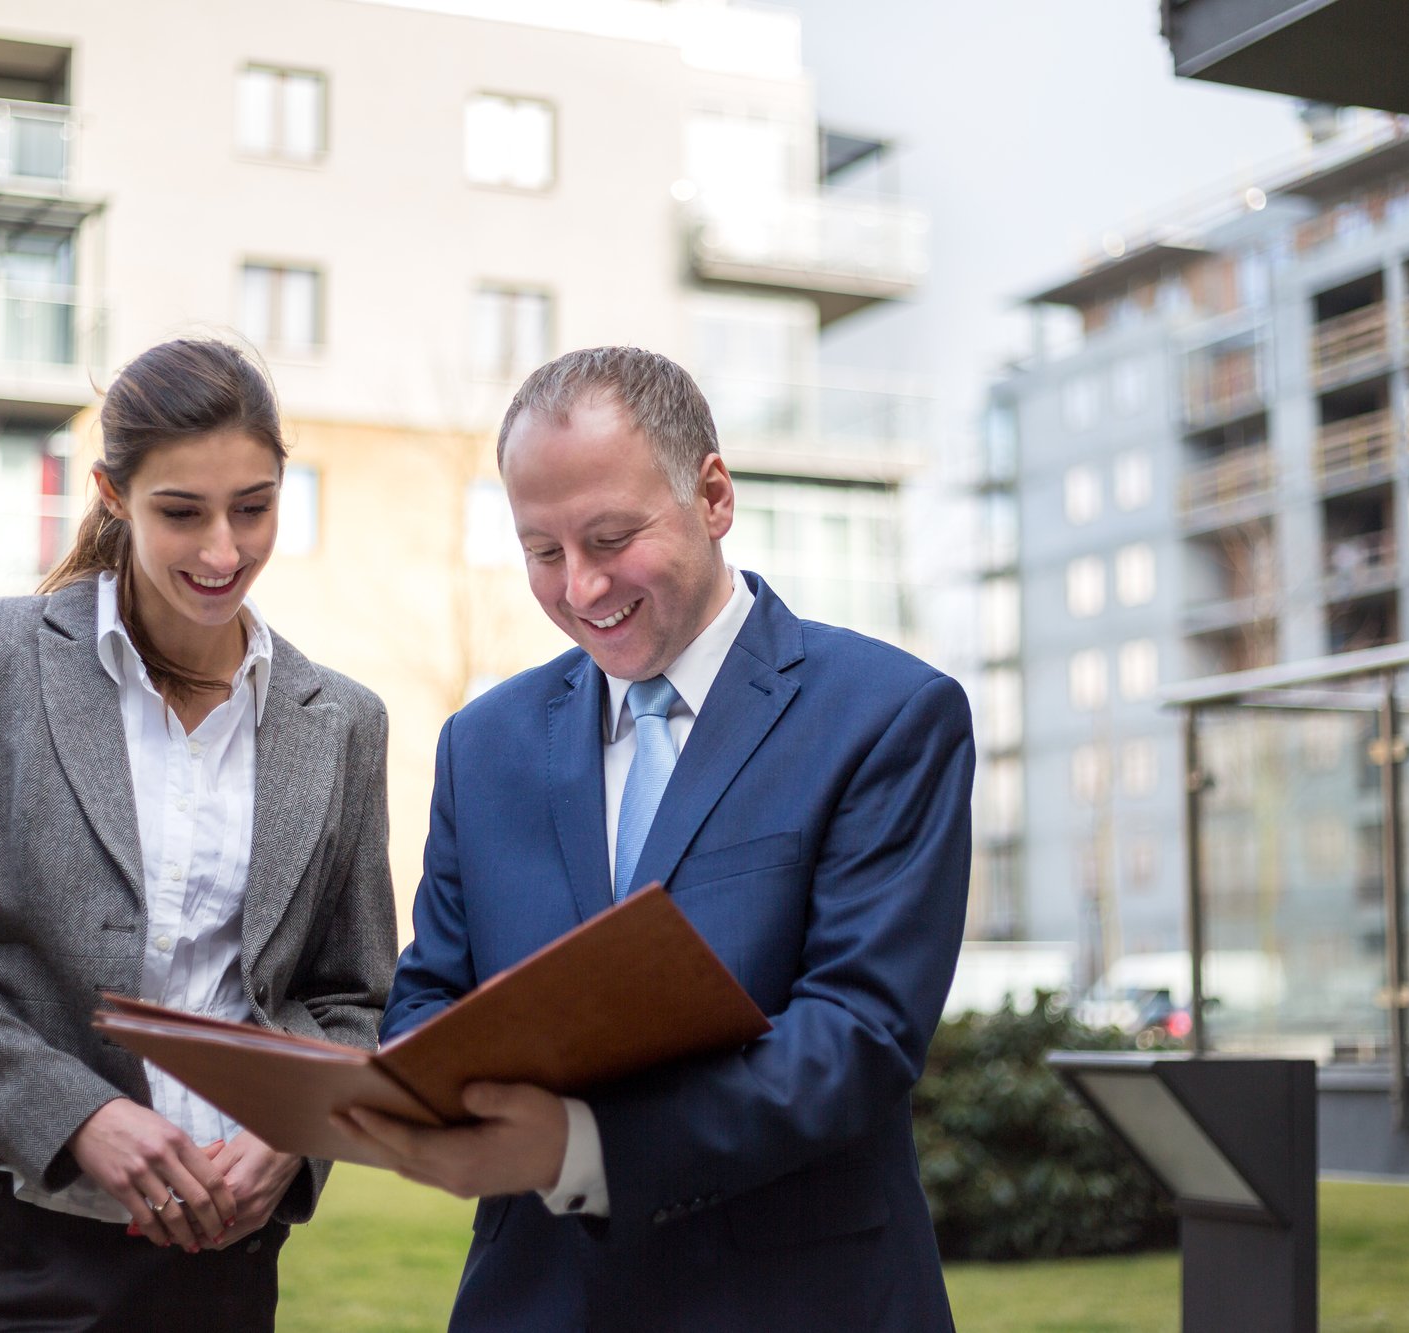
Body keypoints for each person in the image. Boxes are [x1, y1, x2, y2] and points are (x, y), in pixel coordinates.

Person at [341, 347, 975, 1330]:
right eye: (542, 552)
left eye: (608, 537)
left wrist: (575, 1145)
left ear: (712, 494)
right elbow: (433, 991)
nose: (581, 587)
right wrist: (425, 1096)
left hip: (794, 1300)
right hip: (537, 1301)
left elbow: (856, 1036)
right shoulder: (484, 743)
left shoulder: (886, 717)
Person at [0, 338, 396, 1331]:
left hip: (227, 1256)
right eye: (181, 511)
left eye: (254, 507)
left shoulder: (343, 722)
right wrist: (75, 1115)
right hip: (8, 1234)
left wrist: (298, 1129)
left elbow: (351, 993)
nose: (223, 551)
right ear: (110, 493)